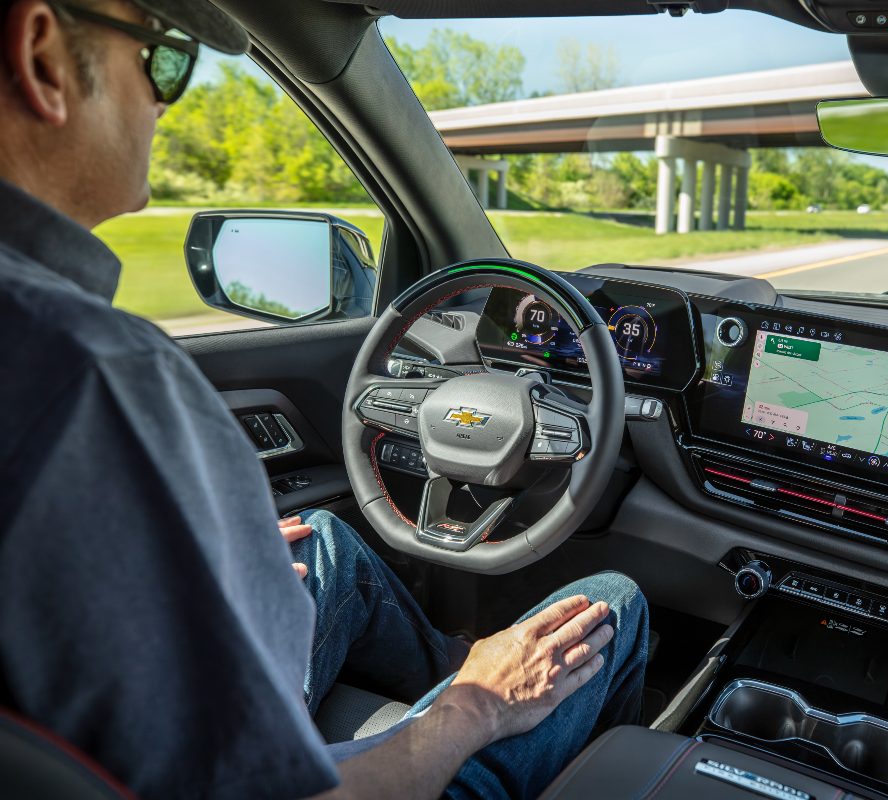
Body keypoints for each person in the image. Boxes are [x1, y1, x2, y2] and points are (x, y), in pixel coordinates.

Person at [0, 1, 649, 798]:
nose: (165, 97)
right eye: (165, 59)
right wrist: (475, 708)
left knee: (330, 545)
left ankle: (456, 671)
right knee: (611, 606)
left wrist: (198, 554)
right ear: (40, 57)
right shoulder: (93, 376)